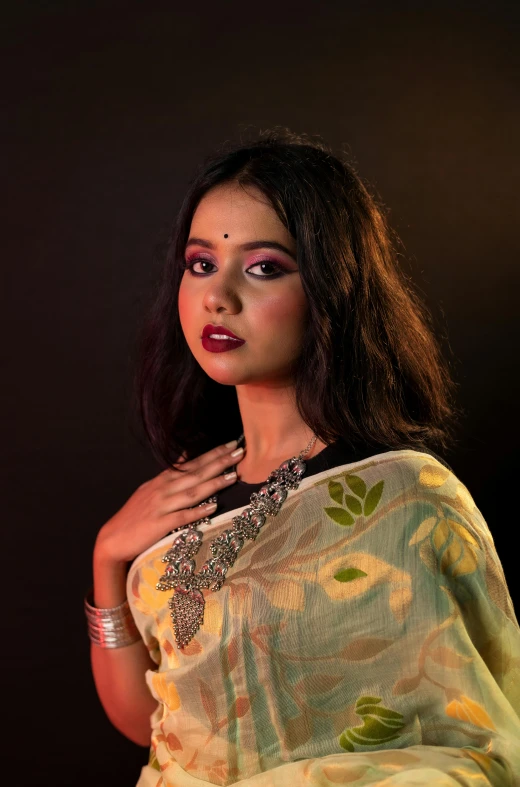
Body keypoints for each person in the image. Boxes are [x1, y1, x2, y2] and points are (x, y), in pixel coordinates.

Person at [87, 128, 520, 786]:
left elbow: (474, 729)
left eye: (262, 268)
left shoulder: (409, 498)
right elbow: (154, 724)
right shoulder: (180, 495)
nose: (218, 296)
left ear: (331, 288)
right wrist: (108, 557)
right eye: (201, 263)